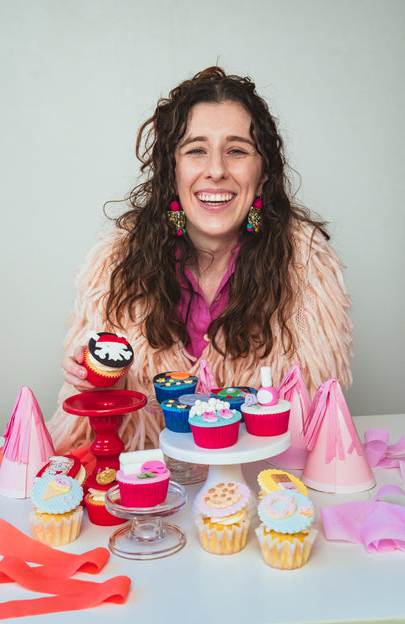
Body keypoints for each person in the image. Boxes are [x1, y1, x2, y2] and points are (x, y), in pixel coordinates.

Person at [49, 66, 353, 454]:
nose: (216, 170)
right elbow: (94, 436)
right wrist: (104, 387)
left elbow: (309, 424)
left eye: (237, 151)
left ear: (262, 174)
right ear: (171, 169)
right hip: (154, 483)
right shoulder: (114, 267)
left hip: (261, 484)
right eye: (196, 150)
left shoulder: (306, 265)